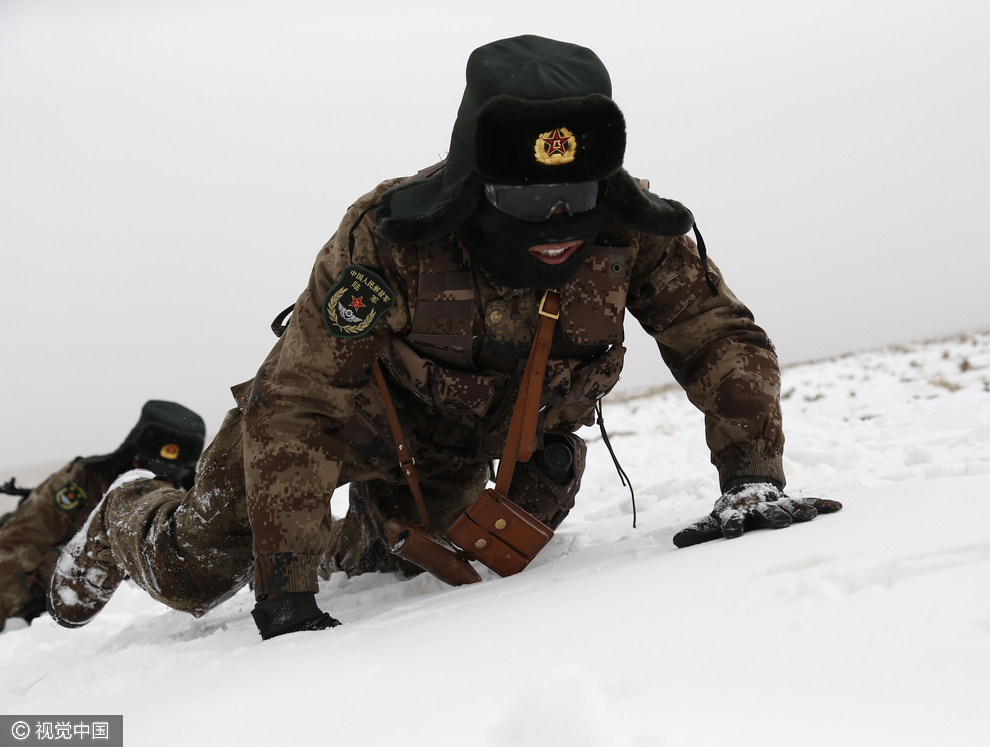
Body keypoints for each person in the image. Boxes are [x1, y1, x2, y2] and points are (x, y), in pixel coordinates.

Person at [48, 35, 840, 641]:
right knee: (198, 570)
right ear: (473, 184)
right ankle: (124, 517)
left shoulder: (635, 231)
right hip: (343, 425)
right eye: (528, 201)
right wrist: (286, 591)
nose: (558, 222)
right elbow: (298, 404)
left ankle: (353, 532)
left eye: (576, 192)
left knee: (413, 566)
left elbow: (720, 337)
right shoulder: (388, 235)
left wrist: (751, 476)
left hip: (455, 450)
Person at [0, 400, 204, 631]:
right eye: (150, 464)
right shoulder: (83, 480)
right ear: (132, 455)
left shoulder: (183, 507)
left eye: (173, 473)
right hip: (37, 587)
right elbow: (18, 545)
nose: (157, 477)